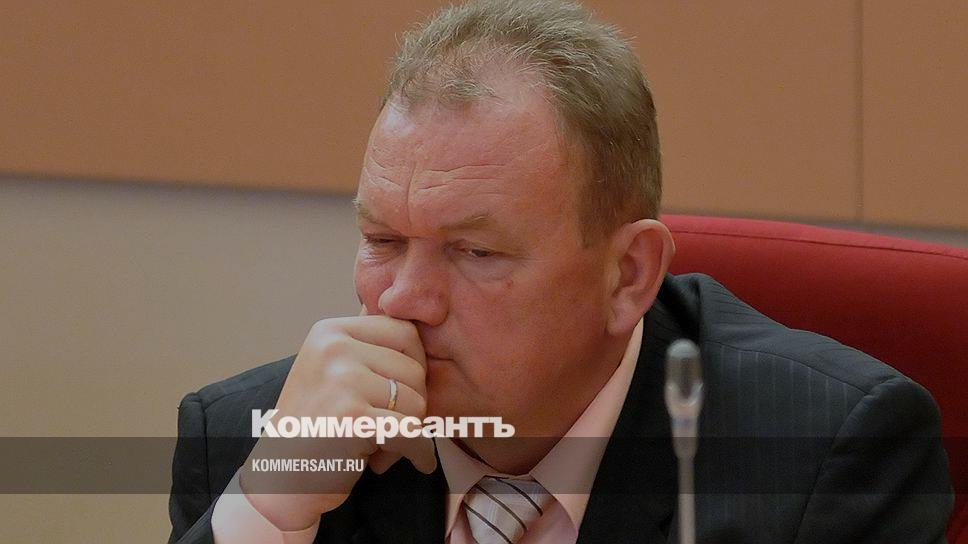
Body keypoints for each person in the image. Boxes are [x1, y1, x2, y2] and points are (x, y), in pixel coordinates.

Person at [168, 1, 953, 542]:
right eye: (381, 240)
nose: (403, 299)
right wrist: (266, 514)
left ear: (628, 276)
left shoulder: (821, 458)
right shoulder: (256, 441)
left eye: (475, 252)